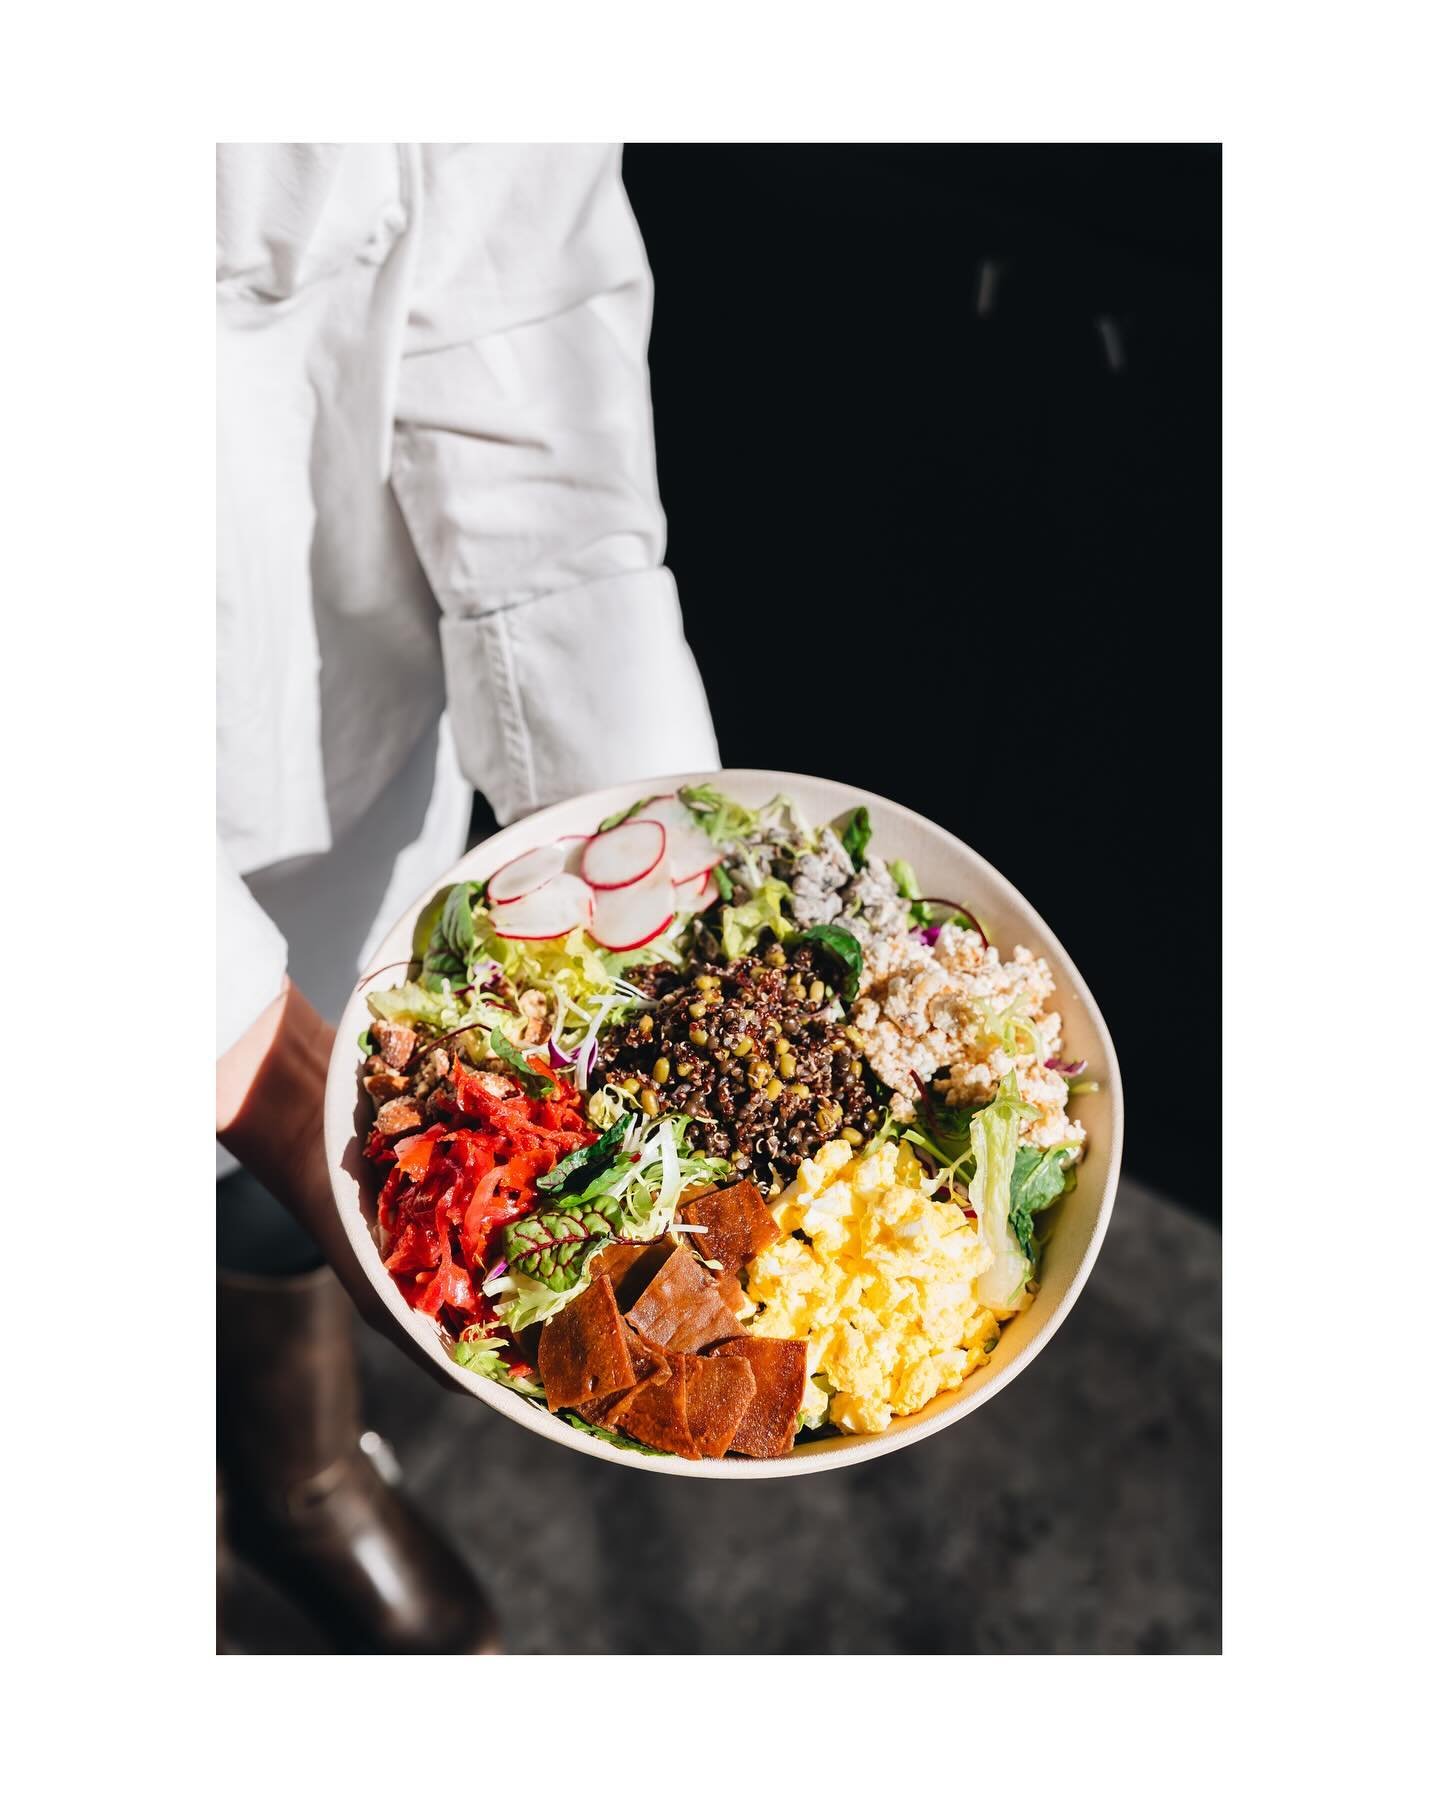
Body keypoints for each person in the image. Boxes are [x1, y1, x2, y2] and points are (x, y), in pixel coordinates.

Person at [215, 143, 718, 1653]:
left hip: (339, 709)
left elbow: (517, 314)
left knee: (284, 1207)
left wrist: (640, 859)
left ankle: (296, 1476)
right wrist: (253, 1054)